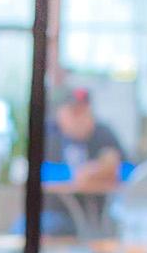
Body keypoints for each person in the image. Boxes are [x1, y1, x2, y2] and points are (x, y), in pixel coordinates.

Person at [43, 87, 125, 233]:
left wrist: (103, 170)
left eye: (84, 112)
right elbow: (37, 170)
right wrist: (75, 174)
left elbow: (132, 170)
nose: (79, 118)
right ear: (60, 114)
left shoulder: (104, 135)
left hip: (97, 214)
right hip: (57, 211)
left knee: (115, 228)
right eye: (74, 112)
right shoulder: (49, 135)